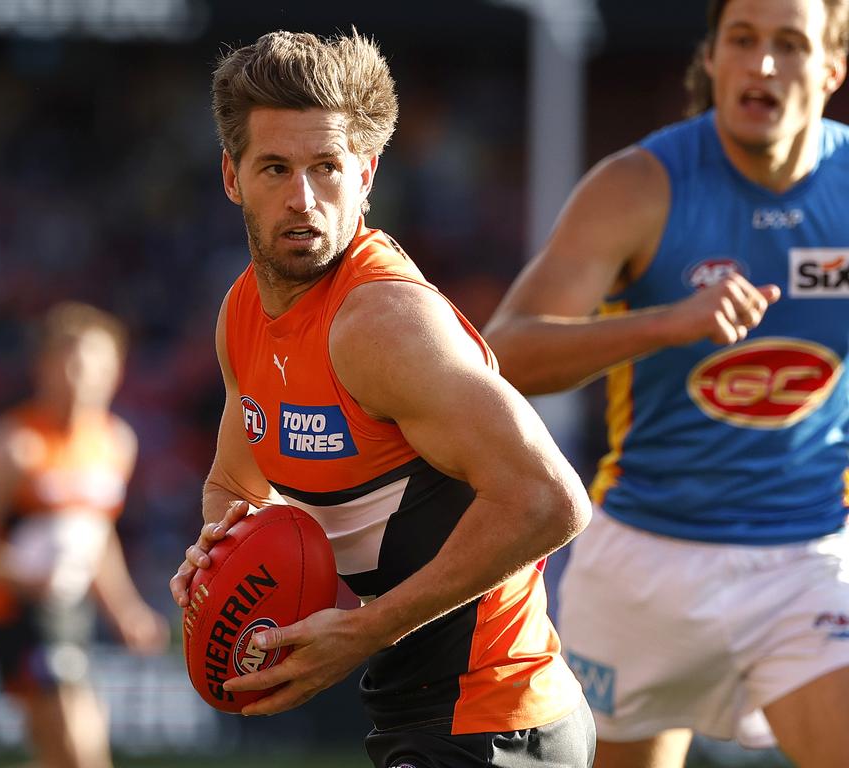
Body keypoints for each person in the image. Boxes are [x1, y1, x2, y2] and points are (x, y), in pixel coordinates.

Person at [168, 30, 594, 768]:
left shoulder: (383, 325)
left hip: (498, 719)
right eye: (275, 168)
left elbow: (551, 501)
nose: (302, 199)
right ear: (233, 177)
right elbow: (236, 486)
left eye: (325, 168)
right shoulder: (241, 315)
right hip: (423, 711)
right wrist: (220, 559)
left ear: (364, 175)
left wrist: (364, 631)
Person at [482, 0, 849, 766]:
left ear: (832, 67)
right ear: (712, 60)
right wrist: (665, 324)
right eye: (743, 41)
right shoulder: (636, 187)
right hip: (645, 564)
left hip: (807, 557)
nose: (765, 64)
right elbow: (501, 355)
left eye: (791, 44)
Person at [0, 301, 168, 768]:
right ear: (44, 368)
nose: (86, 378)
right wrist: (24, 575)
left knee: (60, 755)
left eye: (99, 365)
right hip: (18, 615)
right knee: (80, 748)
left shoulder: (115, 442)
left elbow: (97, 534)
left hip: (70, 612)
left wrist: (125, 610)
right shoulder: (14, 444)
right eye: (73, 363)